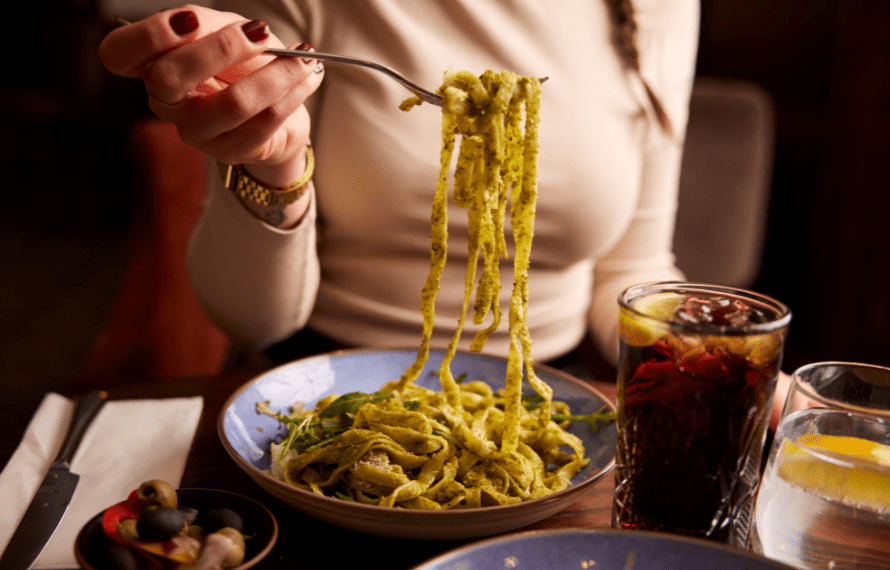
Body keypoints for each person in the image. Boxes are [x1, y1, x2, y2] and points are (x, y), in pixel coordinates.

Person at [99, 0, 700, 376]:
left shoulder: (659, 9)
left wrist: (708, 359)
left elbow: (631, 268)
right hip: (318, 378)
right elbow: (255, 323)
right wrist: (274, 166)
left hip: (550, 397)